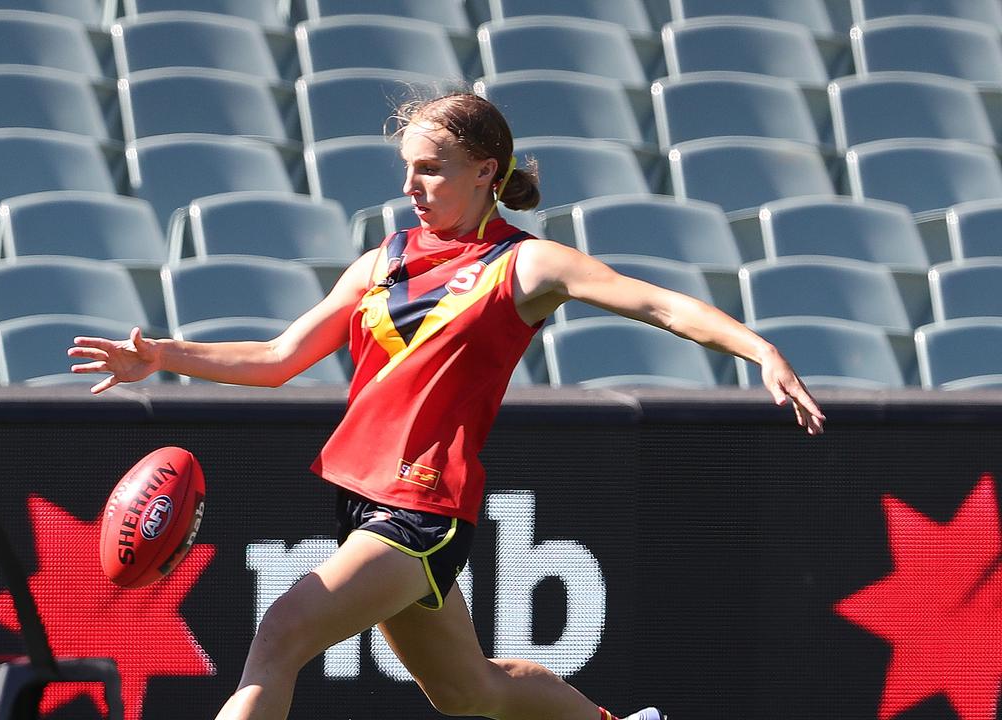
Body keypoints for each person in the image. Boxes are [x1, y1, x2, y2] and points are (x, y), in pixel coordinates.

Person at [69, 92, 825, 720]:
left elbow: (657, 304)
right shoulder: (383, 260)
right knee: (469, 692)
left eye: (431, 169)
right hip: (361, 500)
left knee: (281, 632)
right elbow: (278, 359)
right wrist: (162, 356)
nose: (413, 186)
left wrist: (759, 350)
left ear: (484, 172)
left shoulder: (523, 264)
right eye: (408, 170)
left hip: (421, 507)